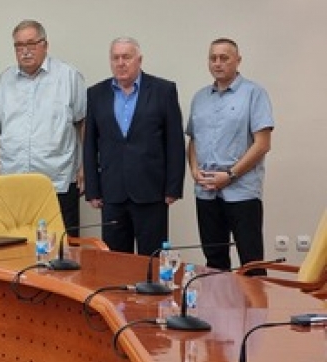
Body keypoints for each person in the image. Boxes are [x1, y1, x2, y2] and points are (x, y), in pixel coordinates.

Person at [83, 36, 185, 256]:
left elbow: (175, 142)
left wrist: (173, 188)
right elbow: (89, 144)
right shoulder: (96, 94)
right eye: (115, 58)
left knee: (152, 260)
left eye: (126, 57)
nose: (121, 63)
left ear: (139, 60)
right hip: (112, 192)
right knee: (116, 261)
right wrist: (93, 189)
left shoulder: (163, 90)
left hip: (152, 191)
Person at [0, 20, 86, 236]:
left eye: (31, 44)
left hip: (57, 179)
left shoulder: (68, 76)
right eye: (19, 46)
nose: (25, 51)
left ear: (45, 45)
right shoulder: (5, 80)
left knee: (61, 247)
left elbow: (83, 122)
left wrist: (85, 167)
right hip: (13, 179)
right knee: (16, 244)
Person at [186, 38, 273, 273]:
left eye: (224, 58)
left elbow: (262, 144)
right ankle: (219, 300)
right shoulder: (200, 97)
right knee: (214, 262)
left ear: (238, 60)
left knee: (251, 262)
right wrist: (193, 170)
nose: (218, 63)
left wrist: (231, 175)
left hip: (242, 191)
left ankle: (256, 300)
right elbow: (193, 140)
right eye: (213, 58)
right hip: (206, 191)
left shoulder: (254, 93)